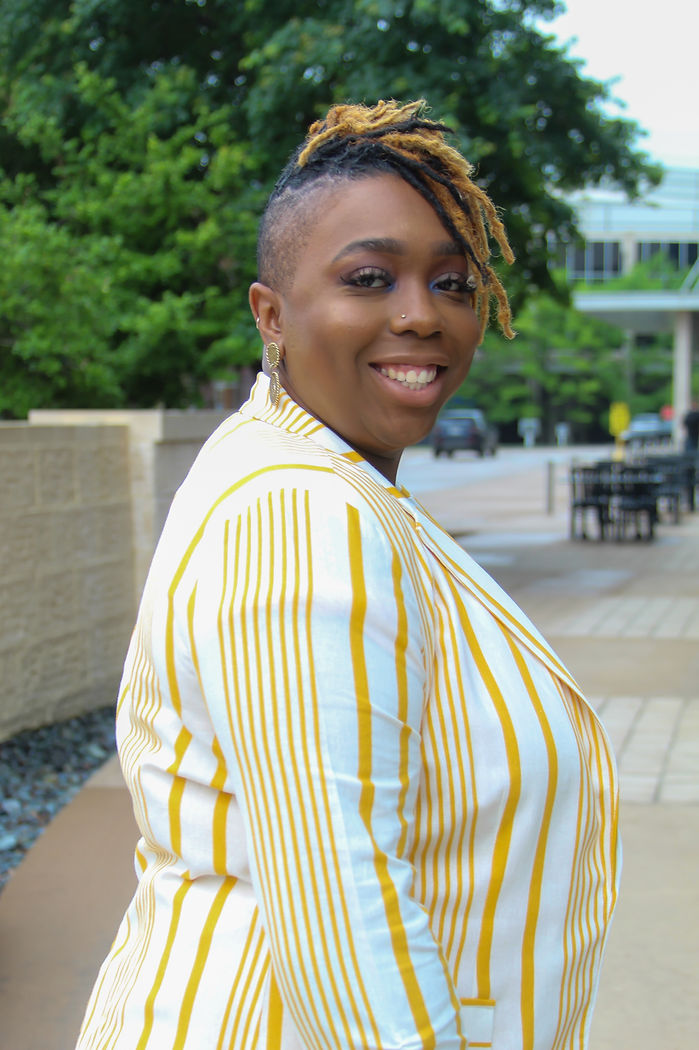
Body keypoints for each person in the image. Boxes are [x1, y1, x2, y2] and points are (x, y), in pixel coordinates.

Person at [75, 100, 619, 1050]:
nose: (421, 314)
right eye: (370, 277)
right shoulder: (301, 508)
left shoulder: (311, 471)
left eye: (451, 283)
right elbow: (342, 915)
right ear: (270, 314)